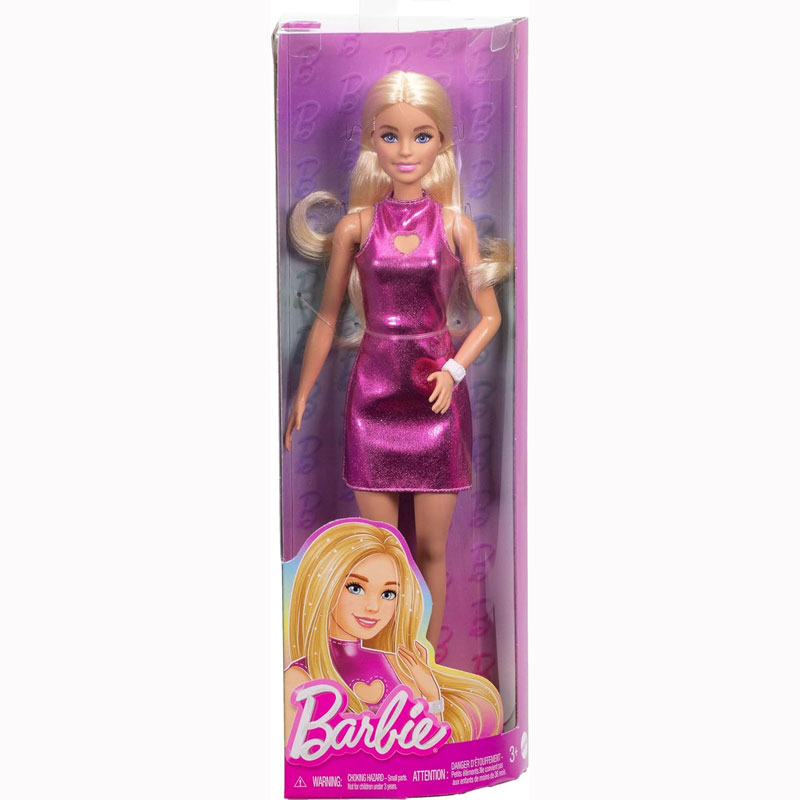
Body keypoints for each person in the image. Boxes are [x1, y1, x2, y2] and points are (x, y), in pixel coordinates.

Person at [284, 70, 509, 647]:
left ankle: (422, 662)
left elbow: (489, 317)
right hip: (374, 399)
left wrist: (454, 370)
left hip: (435, 398)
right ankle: (386, 664)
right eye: (390, 136)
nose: (406, 151)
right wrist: (302, 393)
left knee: (431, 549)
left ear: (443, 143)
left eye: (421, 136)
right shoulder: (356, 227)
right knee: (380, 556)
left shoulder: (454, 227)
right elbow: (327, 318)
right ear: (371, 142)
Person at [283, 520, 503, 745]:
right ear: (324, 586)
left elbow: (432, 746)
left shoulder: (397, 665)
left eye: (388, 594)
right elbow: (295, 755)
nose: (373, 607)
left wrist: (431, 694)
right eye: (355, 588)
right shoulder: (301, 677)